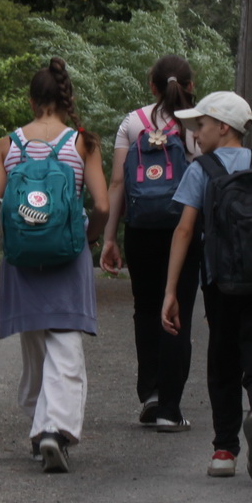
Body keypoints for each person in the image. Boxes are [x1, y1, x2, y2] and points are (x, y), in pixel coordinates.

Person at [0, 58, 109, 473]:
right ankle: (53, 429)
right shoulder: (82, 143)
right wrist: (89, 238)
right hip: (67, 254)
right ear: (66, 98)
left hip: (22, 258)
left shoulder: (8, 145)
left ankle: (40, 424)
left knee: (35, 347)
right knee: (66, 345)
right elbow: (102, 205)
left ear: (31, 101)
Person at [160, 91, 252, 485]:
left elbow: (184, 230)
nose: (196, 134)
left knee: (223, 364)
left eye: (201, 125)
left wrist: (171, 291)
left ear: (223, 127)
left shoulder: (201, 170)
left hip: (221, 285)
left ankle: (224, 451)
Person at [99, 55, 202, 431]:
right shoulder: (198, 123)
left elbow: (117, 182)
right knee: (178, 312)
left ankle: (151, 394)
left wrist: (109, 237)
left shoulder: (132, 122)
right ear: (190, 85)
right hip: (184, 230)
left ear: (152, 86)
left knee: (145, 310)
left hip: (140, 229)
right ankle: (170, 409)